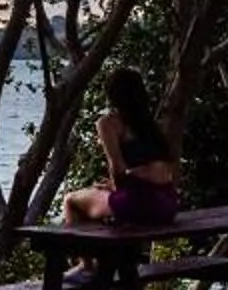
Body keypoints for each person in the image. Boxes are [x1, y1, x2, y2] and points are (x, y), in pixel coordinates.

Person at [63, 67, 180, 225]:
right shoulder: (149, 125)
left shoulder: (108, 123)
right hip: (167, 205)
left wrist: (116, 188)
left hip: (137, 204)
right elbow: (165, 170)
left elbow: (117, 167)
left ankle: (78, 249)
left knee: (71, 200)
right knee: (107, 200)